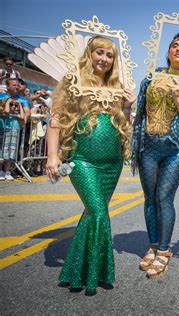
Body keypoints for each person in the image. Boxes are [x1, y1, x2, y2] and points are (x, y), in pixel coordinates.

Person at [45, 36, 136, 295]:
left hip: (111, 163)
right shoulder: (72, 81)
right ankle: (97, 273)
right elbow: (56, 120)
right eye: (99, 53)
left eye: (109, 56)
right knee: (98, 213)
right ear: (89, 54)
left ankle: (78, 270)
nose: (104, 59)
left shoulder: (117, 86)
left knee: (92, 213)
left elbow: (123, 126)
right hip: (82, 160)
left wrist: (128, 105)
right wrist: (53, 156)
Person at [132, 33, 179, 279]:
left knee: (164, 197)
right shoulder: (151, 79)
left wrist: (177, 97)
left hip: (175, 149)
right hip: (148, 145)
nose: (178, 49)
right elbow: (140, 112)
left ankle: (164, 251)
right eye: (174, 45)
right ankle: (152, 246)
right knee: (149, 198)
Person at [0, 78, 28, 181]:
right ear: (8, 86)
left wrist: (23, 120)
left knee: (11, 150)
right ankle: (0, 171)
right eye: (14, 85)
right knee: (1, 150)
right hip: (2, 127)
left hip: (15, 128)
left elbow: (26, 113)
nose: (16, 87)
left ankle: (7, 171)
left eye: (17, 85)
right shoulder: (1, 97)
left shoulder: (22, 99)